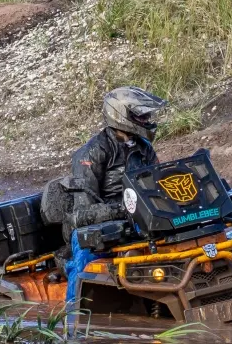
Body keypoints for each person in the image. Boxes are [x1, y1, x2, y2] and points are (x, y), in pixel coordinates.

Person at [42, 86, 168, 240]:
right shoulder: (93, 152)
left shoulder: (144, 147)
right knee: (86, 245)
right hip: (99, 231)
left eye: (147, 116)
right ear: (120, 114)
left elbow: (160, 183)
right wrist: (126, 208)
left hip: (139, 220)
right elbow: (82, 213)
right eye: (141, 117)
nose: (147, 120)